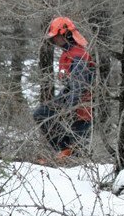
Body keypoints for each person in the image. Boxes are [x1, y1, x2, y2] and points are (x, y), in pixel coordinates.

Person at [33, 17, 95, 161]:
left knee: (79, 150)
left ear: (66, 34)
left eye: (57, 37)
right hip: (71, 97)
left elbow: (78, 88)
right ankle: (64, 149)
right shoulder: (69, 53)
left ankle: (69, 154)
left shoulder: (78, 56)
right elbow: (70, 87)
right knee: (42, 113)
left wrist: (67, 109)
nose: (54, 41)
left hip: (84, 106)